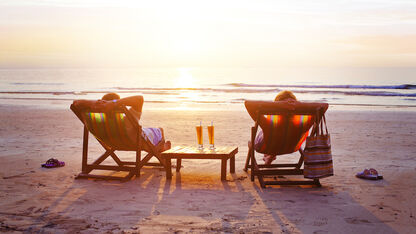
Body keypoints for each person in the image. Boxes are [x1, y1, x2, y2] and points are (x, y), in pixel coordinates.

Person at [73, 93, 171, 152]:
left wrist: (99, 103)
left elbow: (76, 103)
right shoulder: (126, 121)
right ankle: (162, 148)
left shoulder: (97, 121)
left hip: (111, 142)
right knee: (159, 130)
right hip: (135, 141)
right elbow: (139, 99)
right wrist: (114, 103)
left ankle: (162, 147)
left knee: (147, 131)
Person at [255, 90, 298, 165]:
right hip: (290, 147)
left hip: (265, 147)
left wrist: (277, 105)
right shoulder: (300, 123)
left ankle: (268, 155)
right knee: (278, 136)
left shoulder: (269, 124)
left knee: (269, 133)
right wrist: (298, 105)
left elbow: (247, 104)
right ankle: (269, 156)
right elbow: (325, 106)